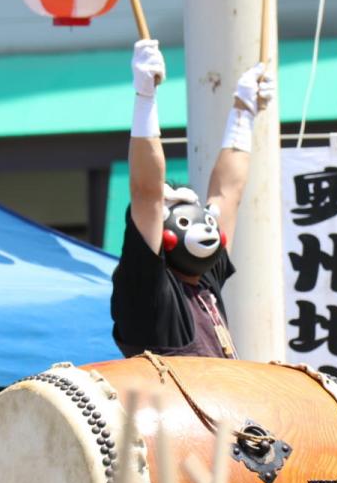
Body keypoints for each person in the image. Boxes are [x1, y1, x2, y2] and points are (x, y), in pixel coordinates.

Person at [110, 37, 275, 358]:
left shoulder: (203, 282)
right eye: (185, 218)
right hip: (167, 407)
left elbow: (228, 193)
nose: (205, 224)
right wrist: (145, 96)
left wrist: (244, 112)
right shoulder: (149, 288)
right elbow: (146, 193)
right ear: (163, 236)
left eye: (202, 216)